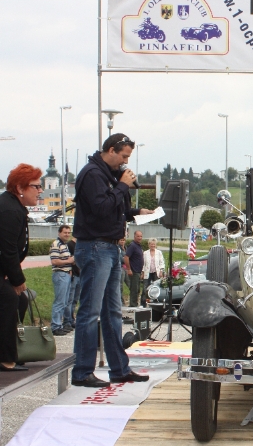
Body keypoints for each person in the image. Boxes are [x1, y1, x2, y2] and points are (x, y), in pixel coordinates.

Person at [71, 133, 153, 388]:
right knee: (90, 312)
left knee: (112, 313)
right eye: (124, 156)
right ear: (110, 150)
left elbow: (113, 209)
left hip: (108, 248)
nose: (125, 162)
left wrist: (135, 212)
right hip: (95, 246)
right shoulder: (93, 174)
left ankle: (119, 368)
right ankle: (83, 371)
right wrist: (122, 186)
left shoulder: (108, 176)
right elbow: (100, 208)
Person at [0, 164, 41, 372]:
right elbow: (7, 250)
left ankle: (14, 350)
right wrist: (17, 280)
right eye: (36, 186)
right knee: (9, 298)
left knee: (20, 299)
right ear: (20, 188)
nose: (40, 190)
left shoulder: (14, 207)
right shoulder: (8, 209)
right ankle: (5, 358)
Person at [49, 225, 74, 336]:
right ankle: (55, 326)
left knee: (64, 302)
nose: (67, 234)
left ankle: (60, 324)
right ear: (59, 233)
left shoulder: (64, 245)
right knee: (59, 302)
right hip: (60, 274)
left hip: (66, 274)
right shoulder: (56, 244)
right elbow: (54, 261)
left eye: (69, 232)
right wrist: (69, 260)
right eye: (65, 232)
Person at [142, 238, 165, 307]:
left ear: (156, 245)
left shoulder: (159, 252)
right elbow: (143, 264)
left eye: (154, 244)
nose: (152, 245)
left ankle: (156, 303)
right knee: (145, 288)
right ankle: (143, 304)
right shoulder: (145, 253)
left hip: (156, 272)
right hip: (147, 272)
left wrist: (161, 271)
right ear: (149, 245)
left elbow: (162, 262)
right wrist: (142, 272)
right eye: (151, 244)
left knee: (156, 287)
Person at [124, 230, 144, 307]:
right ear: (134, 236)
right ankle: (132, 305)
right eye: (138, 236)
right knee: (134, 289)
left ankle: (135, 303)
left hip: (138, 271)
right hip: (133, 271)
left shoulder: (138, 245)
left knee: (138, 289)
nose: (139, 238)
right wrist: (129, 269)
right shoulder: (132, 245)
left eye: (141, 236)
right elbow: (126, 257)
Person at [65, 236, 81, 328]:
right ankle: (67, 320)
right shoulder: (70, 245)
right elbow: (70, 260)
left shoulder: (79, 245)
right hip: (73, 274)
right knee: (70, 299)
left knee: (75, 299)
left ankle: (72, 319)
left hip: (79, 274)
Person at [118, 238, 130, 306]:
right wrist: (126, 259)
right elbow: (120, 259)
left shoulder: (126, 248)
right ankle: (121, 303)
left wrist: (125, 258)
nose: (122, 241)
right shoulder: (118, 249)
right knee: (121, 286)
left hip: (127, 268)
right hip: (121, 268)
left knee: (130, 284)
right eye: (121, 240)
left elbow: (128, 257)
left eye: (123, 240)